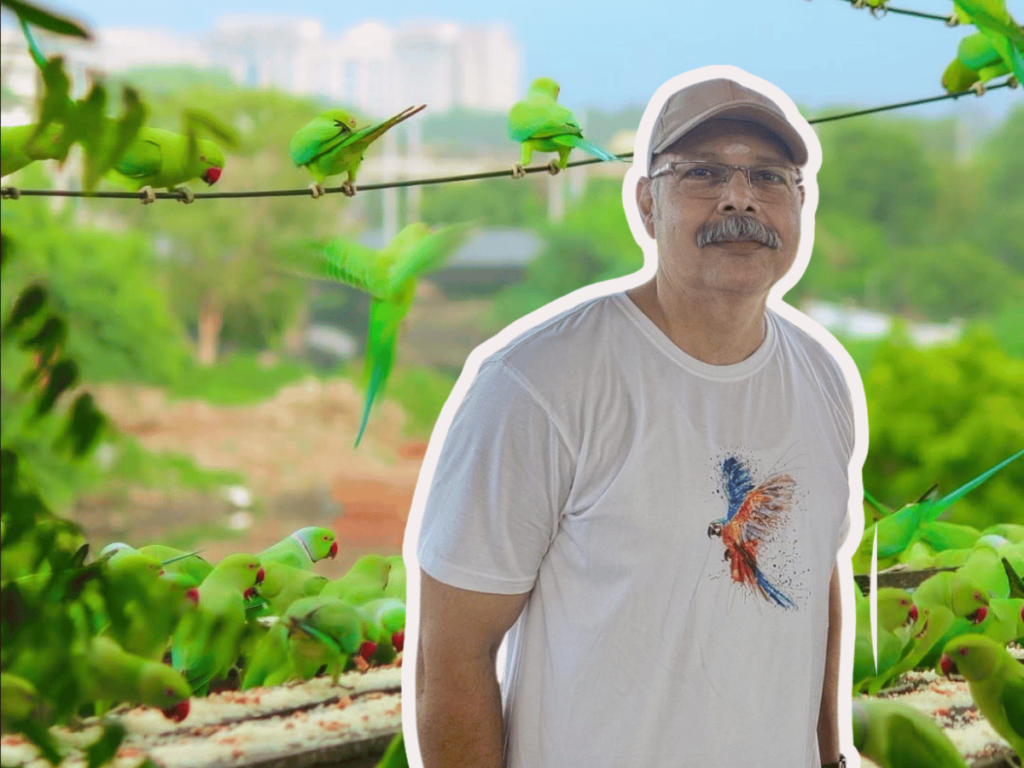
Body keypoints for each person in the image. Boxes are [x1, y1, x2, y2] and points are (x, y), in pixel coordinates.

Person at [406, 66, 866, 768]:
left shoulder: (822, 377)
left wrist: (833, 756)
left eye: (770, 177)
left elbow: (815, 577)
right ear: (648, 204)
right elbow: (452, 654)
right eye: (704, 173)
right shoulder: (538, 384)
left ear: (800, 206)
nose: (740, 197)